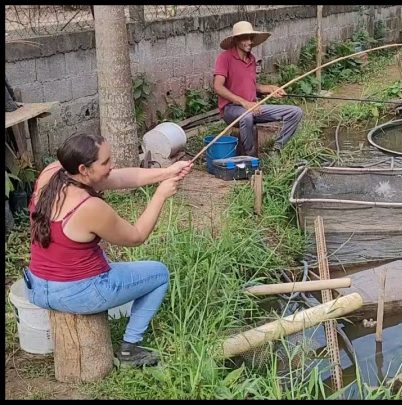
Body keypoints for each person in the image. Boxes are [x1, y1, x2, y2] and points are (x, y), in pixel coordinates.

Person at [24, 133, 193, 367]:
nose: (111, 166)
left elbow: (122, 178)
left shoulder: (53, 172)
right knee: (159, 273)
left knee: (94, 253)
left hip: (36, 287)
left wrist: (167, 172)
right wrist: (160, 195)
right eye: (105, 162)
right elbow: (136, 237)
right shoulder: (90, 207)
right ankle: (130, 349)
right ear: (84, 169)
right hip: (76, 294)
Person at [213, 20, 304, 157]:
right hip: (231, 110)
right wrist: (244, 103)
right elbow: (218, 87)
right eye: (245, 38)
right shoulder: (224, 58)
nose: (249, 42)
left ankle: (276, 150)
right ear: (236, 39)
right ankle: (250, 158)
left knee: (295, 112)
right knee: (247, 116)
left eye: (251, 38)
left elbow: (250, 85)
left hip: (254, 107)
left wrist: (270, 88)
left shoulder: (252, 59)